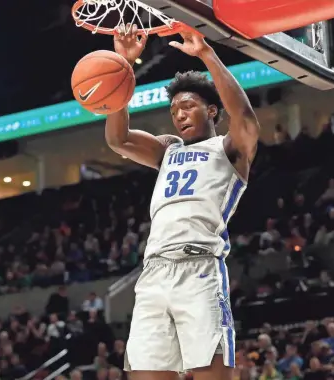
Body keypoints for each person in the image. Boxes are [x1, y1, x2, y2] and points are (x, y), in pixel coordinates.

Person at [106, 24, 259, 380]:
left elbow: (247, 120)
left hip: (200, 269)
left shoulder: (228, 149)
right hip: (154, 273)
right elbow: (118, 139)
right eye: (174, 109)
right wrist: (122, 67)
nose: (179, 114)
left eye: (189, 106)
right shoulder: (168, 149)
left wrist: (206, 53)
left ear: (212, 113)